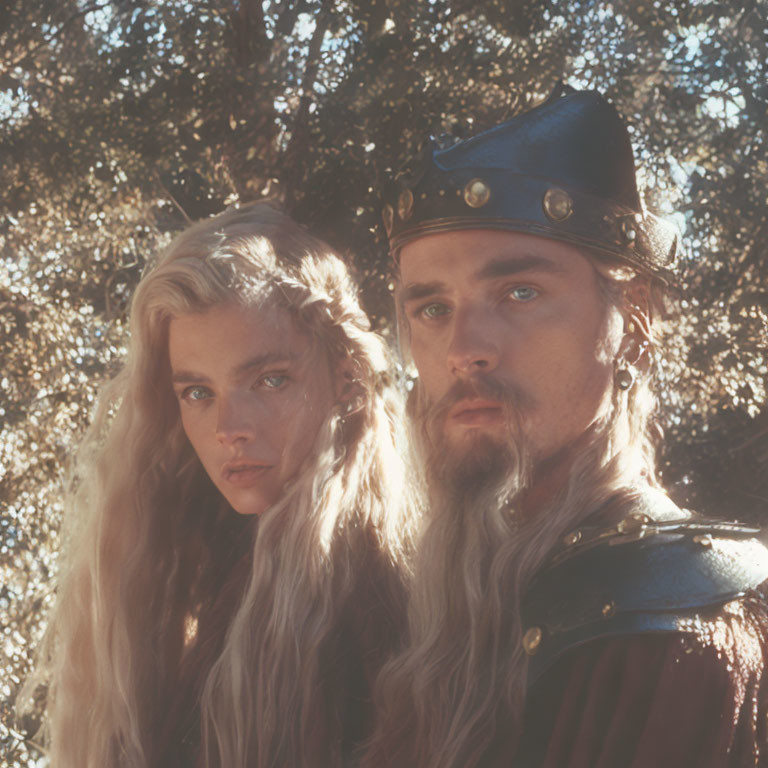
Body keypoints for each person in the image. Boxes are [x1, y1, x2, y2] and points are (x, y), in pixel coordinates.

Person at [363, 86, 768, 767]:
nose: (465, 348)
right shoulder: (435, 611)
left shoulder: (683, 627)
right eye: (431, 308)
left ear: (633, 319)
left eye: (520, 293)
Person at [20, 203, 417, 767]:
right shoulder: (200, 590)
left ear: (346, 377)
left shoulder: (402, 603)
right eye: (198, 393)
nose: (229, 429)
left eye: (270, 380)